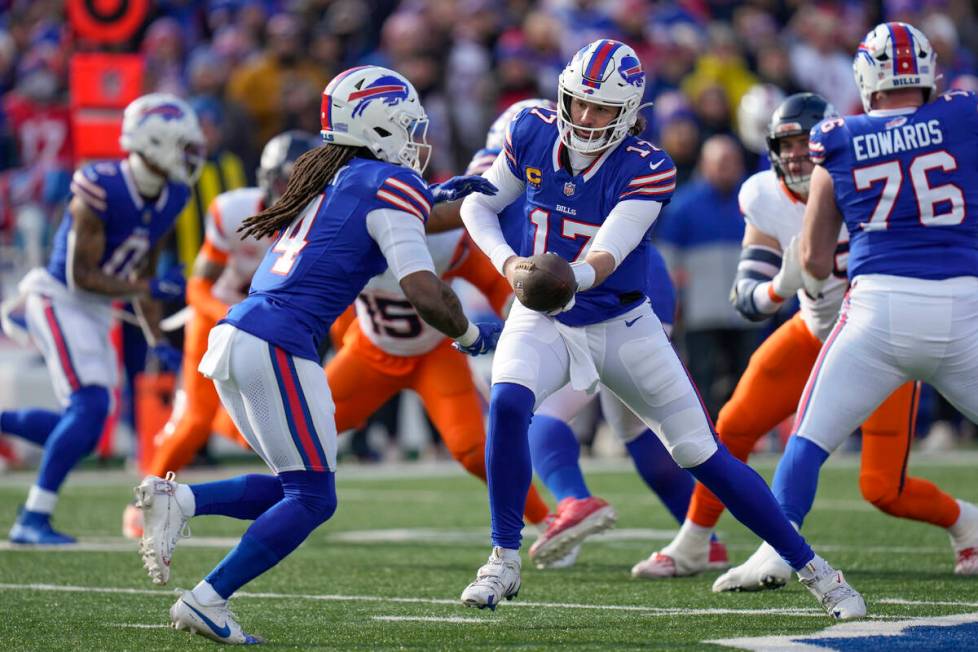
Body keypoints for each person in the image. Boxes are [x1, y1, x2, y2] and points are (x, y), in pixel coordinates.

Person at [457, 39, 864, 619]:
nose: (584, 118)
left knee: (703, 453)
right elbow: (479, 205)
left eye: (600, 109)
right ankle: (502, 557)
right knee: (507, 405)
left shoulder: (648, 166)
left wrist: (557, 274)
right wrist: (511, 265)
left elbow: (604, 257)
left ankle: (815, 569)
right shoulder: (530, 127)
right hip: (544, 313)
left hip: (622, 320)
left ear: (627, 113)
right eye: (577, 103)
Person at [132, 66, 499, 644]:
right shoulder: (383, 183)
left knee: (294, 486)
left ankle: (181, 499)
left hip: (242, 334)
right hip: (277, 342)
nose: (414, 138)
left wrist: (441, 199)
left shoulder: (343, 178)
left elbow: (399, 212)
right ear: (378, 126)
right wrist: (473, 338)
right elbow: (423, 288)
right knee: (313, 497)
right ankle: (208, 598)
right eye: (406, 125)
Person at [639, 92, 978, 585]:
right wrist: (781, 285)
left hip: (877, 338)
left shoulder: (864, 178)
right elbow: (748, 297)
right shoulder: (763, 195)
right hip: (815, 326)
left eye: (805, 142)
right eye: (787, 144)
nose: (797, 154)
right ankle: (694, 542)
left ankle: (966, 521)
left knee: (885, 488)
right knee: (730, 426)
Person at [728, 21, 978, 586]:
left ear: (865, 78)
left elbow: (816, 258)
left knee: (809, 440)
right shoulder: (964, 114)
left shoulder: (838, 137)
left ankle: (777, 550)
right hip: (964, 305)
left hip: (879, 311)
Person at [0, 94, 202, 544]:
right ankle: (32, 518)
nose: (191, 155)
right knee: (90, 407)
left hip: (93, 308)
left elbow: (143, 270)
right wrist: (146, 291)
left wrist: (155, 339)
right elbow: (79, 274)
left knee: (86, 428)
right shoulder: (100, 185)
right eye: (184, 145)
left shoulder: (172, 195)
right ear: (154, 141)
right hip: (58, 297)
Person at [121, 130, 321, 540]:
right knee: (194, 419)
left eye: (310, 178)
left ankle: (285, 501)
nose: (299, 189)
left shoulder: (323, 220)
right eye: (290, 178)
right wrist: (231, 316)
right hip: (219, 319)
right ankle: (143, 501)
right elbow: (198, 288)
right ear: (268, 178)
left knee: (266, 429)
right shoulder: (234, 211)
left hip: (274, 328)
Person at [326, 229, 551, 529]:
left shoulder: (441, 241)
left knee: (472, 449)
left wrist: (518, 315)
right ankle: (281, 504)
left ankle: (545, 520)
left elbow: (495, 283)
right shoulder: (346, 237)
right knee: (300, 425)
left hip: (435, 353)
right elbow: (336, 307)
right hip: (369, 350)